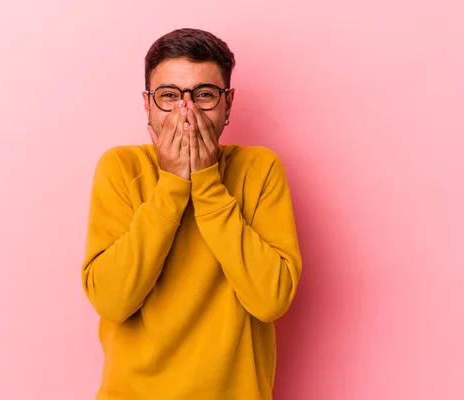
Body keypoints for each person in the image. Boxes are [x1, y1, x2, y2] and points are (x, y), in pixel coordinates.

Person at [81, 28, 302, 400]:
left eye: (204, 95)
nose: (187, 112)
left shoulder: (259, 169)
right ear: (147, 104)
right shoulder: (120, 167)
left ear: (228, 103)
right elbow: (112, 301)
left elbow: (271, 300)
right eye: (169, 95)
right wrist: (171, 183)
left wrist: (206, 181)